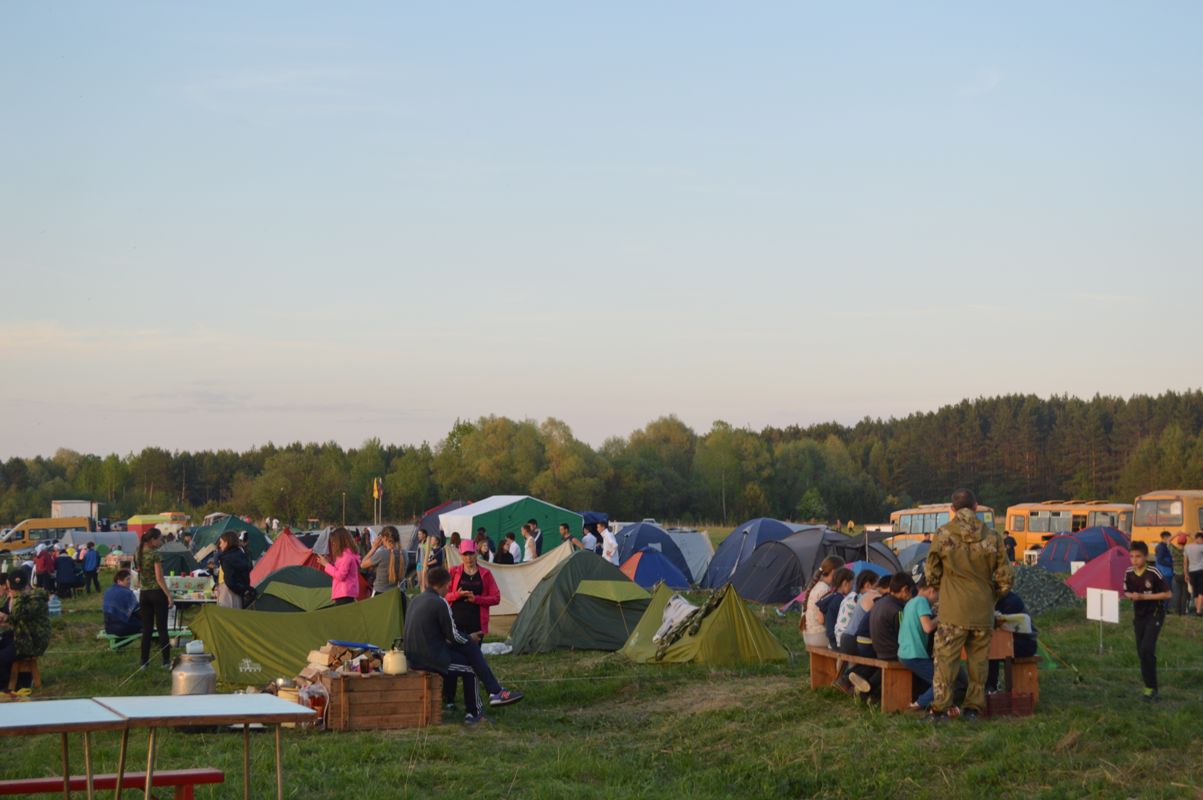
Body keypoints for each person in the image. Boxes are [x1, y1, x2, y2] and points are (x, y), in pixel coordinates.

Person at [924, 489, 1012, 722]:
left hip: (953, 610)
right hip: (982, 610)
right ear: (976, 507)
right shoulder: (993, 536)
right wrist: (991, 597)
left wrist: (946, 588)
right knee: (979, 663)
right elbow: (1006, 578)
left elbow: (931, 573)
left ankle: (941, 710)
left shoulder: (943, 534)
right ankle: (973, 708)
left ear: (952, 509)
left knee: (945, 661)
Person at [403, 566, 524, 724]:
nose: (449, 589)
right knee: (471, 665)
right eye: (448, 586)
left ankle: (494, 692)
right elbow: (454, 636)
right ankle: (478, 709)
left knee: (468, 649)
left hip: (413, 655)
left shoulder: (416, 600)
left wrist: (465, 639)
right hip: (427, 659)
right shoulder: (440, 603)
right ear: (441, 585)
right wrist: (469, 638)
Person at [442, 540, 502, 710]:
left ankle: (472, 701)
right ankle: (449, 699)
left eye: (471, 553)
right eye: (465, 554)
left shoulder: (486, 574)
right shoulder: (453, 572)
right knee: (453, 660)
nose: (468, 558)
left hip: (476, 626)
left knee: (473, 663)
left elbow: (496, 597)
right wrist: (457, 595)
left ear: (476, 553)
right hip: (455, 625)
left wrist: (477, 599)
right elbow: (443, 595)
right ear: (460, 555)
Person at [849, 573, 914, 699]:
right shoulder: (897, 609)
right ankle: (870, 691)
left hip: (878, 649)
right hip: (891, 652)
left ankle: (865, 688)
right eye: (910, 592)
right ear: (905, 589)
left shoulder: (880, 602)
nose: (910, 596)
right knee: (915, 659)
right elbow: (903, 635)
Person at [1125, 540, 1171, 701]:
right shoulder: (1129, 573)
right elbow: (1127, 592)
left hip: (1155, 614)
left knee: (1146, 649)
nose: (1134, 560)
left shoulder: (1154, 572)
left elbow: (1168, 594)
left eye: (1138, 556)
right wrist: (1133, 596)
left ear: (1145, 556)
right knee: (1142, 653)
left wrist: (1145, 596)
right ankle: (1149, 687)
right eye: (1131, 556)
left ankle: (1153, 688)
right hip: (1139, 617)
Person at [0, 570, 50, 689]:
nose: (10, 591)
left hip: (32, 641)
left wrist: (13, 598)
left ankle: (6, 686)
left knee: (2, 657)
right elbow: (12, 616)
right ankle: (18, 680)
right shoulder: (24, 597)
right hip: (22, 636)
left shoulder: (34, 599)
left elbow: (18, 615)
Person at [898, 577, 940, 711]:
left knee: (935, 679)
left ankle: (924, 701)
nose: (938, 599)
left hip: (905, 652)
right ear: (932, 590)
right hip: (914, 653)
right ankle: (919, 704)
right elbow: (927, 627)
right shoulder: (922, 602)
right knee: (942, 681)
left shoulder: (911, 602)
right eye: (938, 595)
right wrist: (942, 616)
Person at [136, 528, 174, 669]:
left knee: (147, 629)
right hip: (157, 594)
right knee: (162, 628)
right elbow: (159, 578)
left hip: (144, 594)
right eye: (159, 539)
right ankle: (165, 661)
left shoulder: (137, 552)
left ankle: (144, 662)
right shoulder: (155, 554)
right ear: (152, 540)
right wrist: (168, 595)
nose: (161, 541)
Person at [987, 589, 1038, 693]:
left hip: (1026, 644)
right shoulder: (997, 600)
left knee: (993, 648)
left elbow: (996, 625)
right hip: (1010, 642)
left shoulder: (1011, 602)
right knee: (992, 646)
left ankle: (991, 685)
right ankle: (989, 685)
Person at [801, 556, 845, 647]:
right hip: (819, 636)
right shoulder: (825, 589)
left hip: (808, 635)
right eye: (841, 572)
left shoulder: (816, 586)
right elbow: (822, 620)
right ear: (833, 571)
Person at [317, 527, 362, 605]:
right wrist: (329, 563)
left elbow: (340, 575)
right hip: (347, 592)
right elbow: (340, 571)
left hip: (344, 593)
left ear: (340, 542)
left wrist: (326, 564)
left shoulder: (346, 556)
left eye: (334, 542)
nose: (333, 544)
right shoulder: (348, 554)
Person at [214, 532, 253, 609]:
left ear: (226, 543)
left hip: (228, 593)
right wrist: (243, 590)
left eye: (221, 542)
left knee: (226, 617)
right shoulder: (242, 554)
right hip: (240, 592)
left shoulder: (227, 558)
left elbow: (229, 580)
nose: (220, 545)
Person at [819, 568, 855, 648]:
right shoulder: (840, 600)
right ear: (845, 583)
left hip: (831, 639)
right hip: (836, 642)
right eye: (852, 584)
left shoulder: (833, 597)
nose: (852, 588)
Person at [363, 526, 405, 596]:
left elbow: (362, 564)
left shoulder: (381, 554)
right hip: (397, 594)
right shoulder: (404, 553)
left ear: (384, 538)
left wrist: (374, 548)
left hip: (380, 594)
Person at [103, 569, 142, 637]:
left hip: (108, 627)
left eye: (130, 579)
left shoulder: (108, 590)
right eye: (127, 579)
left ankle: (118, 644)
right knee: (146, 625)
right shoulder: (127, 593)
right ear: (119, 581)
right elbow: (138, 612)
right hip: (121, 628)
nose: (129, 582)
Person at [1184, 533, 1203, 617]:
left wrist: (1186, 574)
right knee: (1201, 591)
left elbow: (1185, 562)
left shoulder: (1187, 547)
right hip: (1201, 571)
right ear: (1199, 539)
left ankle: (1197, 609)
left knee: (1195, 591)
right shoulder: (1201, 547)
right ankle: (1199, 611)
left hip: (1191, 571)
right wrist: (1191, 536)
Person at [1169, 532, 1189, 616]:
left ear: (1177, 542)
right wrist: (1190, 535)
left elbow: (1168, 541)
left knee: (1177, 593)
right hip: (1186, 574)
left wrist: (1176, 534)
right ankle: (1183, 612)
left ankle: (1176, 612)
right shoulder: (1188, 550)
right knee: (1185, 594)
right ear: (1186, 542)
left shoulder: (1174, 550)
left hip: (1176, 574)